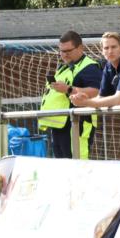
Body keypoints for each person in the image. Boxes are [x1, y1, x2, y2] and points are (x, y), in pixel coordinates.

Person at [69, 32, 120, 160]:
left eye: (114, 47)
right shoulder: (109, 67)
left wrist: (86, 103)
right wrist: (82, 100)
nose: (110, 51)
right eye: (106, 48)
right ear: (102, 51)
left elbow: (119, 99)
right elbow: (101, 98)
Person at [38, 31, 101, 159]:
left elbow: (96, 92)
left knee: (78, 163)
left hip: (77, 124)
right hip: (59, 126)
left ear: (80, 48)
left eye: (68, 51)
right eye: (61, 51)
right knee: (63, 167)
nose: (64, 55)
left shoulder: (89, 67)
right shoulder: (64, 67)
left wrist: (68, 89)